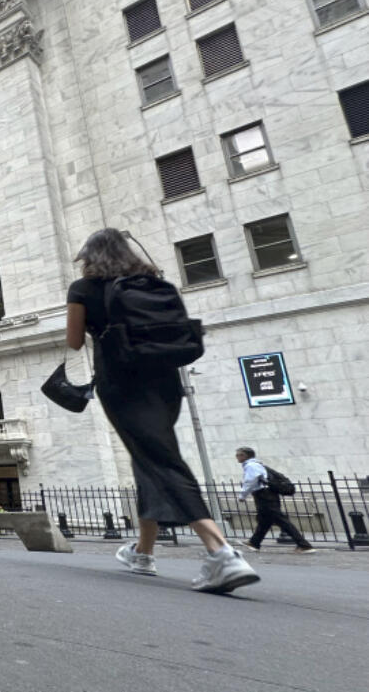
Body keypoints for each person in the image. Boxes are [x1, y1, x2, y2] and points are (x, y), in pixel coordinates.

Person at [66, 228, 259, 593]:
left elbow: (74, 343)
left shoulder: (83, 289)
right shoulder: (150, 281)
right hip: (167, 382)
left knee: (163, 460)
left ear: (90, 257)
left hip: (122, 383)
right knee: (148, 456)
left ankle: (221, 552)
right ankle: (143, 551)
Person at [236, 447, 316, 554]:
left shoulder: (251, 466)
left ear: (244, 456)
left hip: (264, 495)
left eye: (238, 455)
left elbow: (250, 481)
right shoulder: (256, 464)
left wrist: (242, 495)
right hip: (267, 494)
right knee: (264, 520)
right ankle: (254, 543)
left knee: (281, 520)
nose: (236, 457)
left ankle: (304, 545)